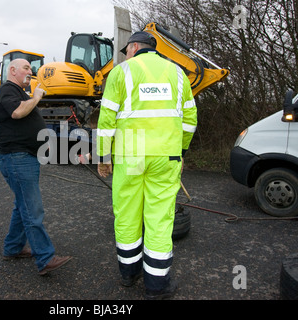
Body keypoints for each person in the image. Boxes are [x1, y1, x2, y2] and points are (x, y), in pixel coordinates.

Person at [96, 32, 197, 299]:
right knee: (160, 219)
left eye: (125, 50)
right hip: (166, 156)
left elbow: (107, 120)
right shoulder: (178, 74)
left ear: (135, 47)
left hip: (131, 155)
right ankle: (157, 286)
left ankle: (129, 274)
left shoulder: (121, 73)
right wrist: (181, 151)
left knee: (127, 214)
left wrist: (104, 157)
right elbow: (190, 120)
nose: (125, 55)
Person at [0, 58, 72, 275]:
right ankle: (45, 258)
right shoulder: (7, 90)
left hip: (25, 157)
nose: (31, 71)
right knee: (32, 209)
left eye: (31, 68)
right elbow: (18, 112)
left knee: (22, 206)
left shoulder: (20, 92)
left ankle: (12, 248)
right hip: (17, 158)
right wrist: (36, 97)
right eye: (26, 68)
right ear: (12, 70)